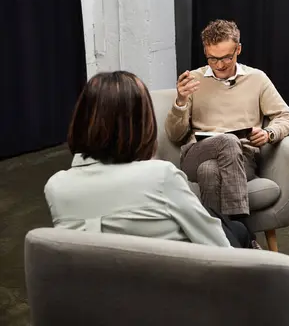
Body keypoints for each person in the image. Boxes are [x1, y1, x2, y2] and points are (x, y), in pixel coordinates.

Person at [44, 71, 256, 249]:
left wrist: (270, 132)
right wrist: (181, 102)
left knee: (215, 207)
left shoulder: (56, 188)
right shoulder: (160, 177)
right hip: (176, 290)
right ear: (141, 123)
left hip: (101, 293)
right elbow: (219, 252)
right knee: (237, 231)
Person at [165, 19, 289, 220]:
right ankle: (243, 232)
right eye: (212, 59)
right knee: (227, 142)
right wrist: (181, 101)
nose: (219, 65)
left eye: (226, 58)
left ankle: (221, 242)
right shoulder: (193, 80)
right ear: (205, 53)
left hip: (243, 158)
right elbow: (175, 135)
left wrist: (269, 133)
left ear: (238, 49)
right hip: (196, 153)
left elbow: (288, 117)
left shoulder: (257, 79)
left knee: (209, 171)